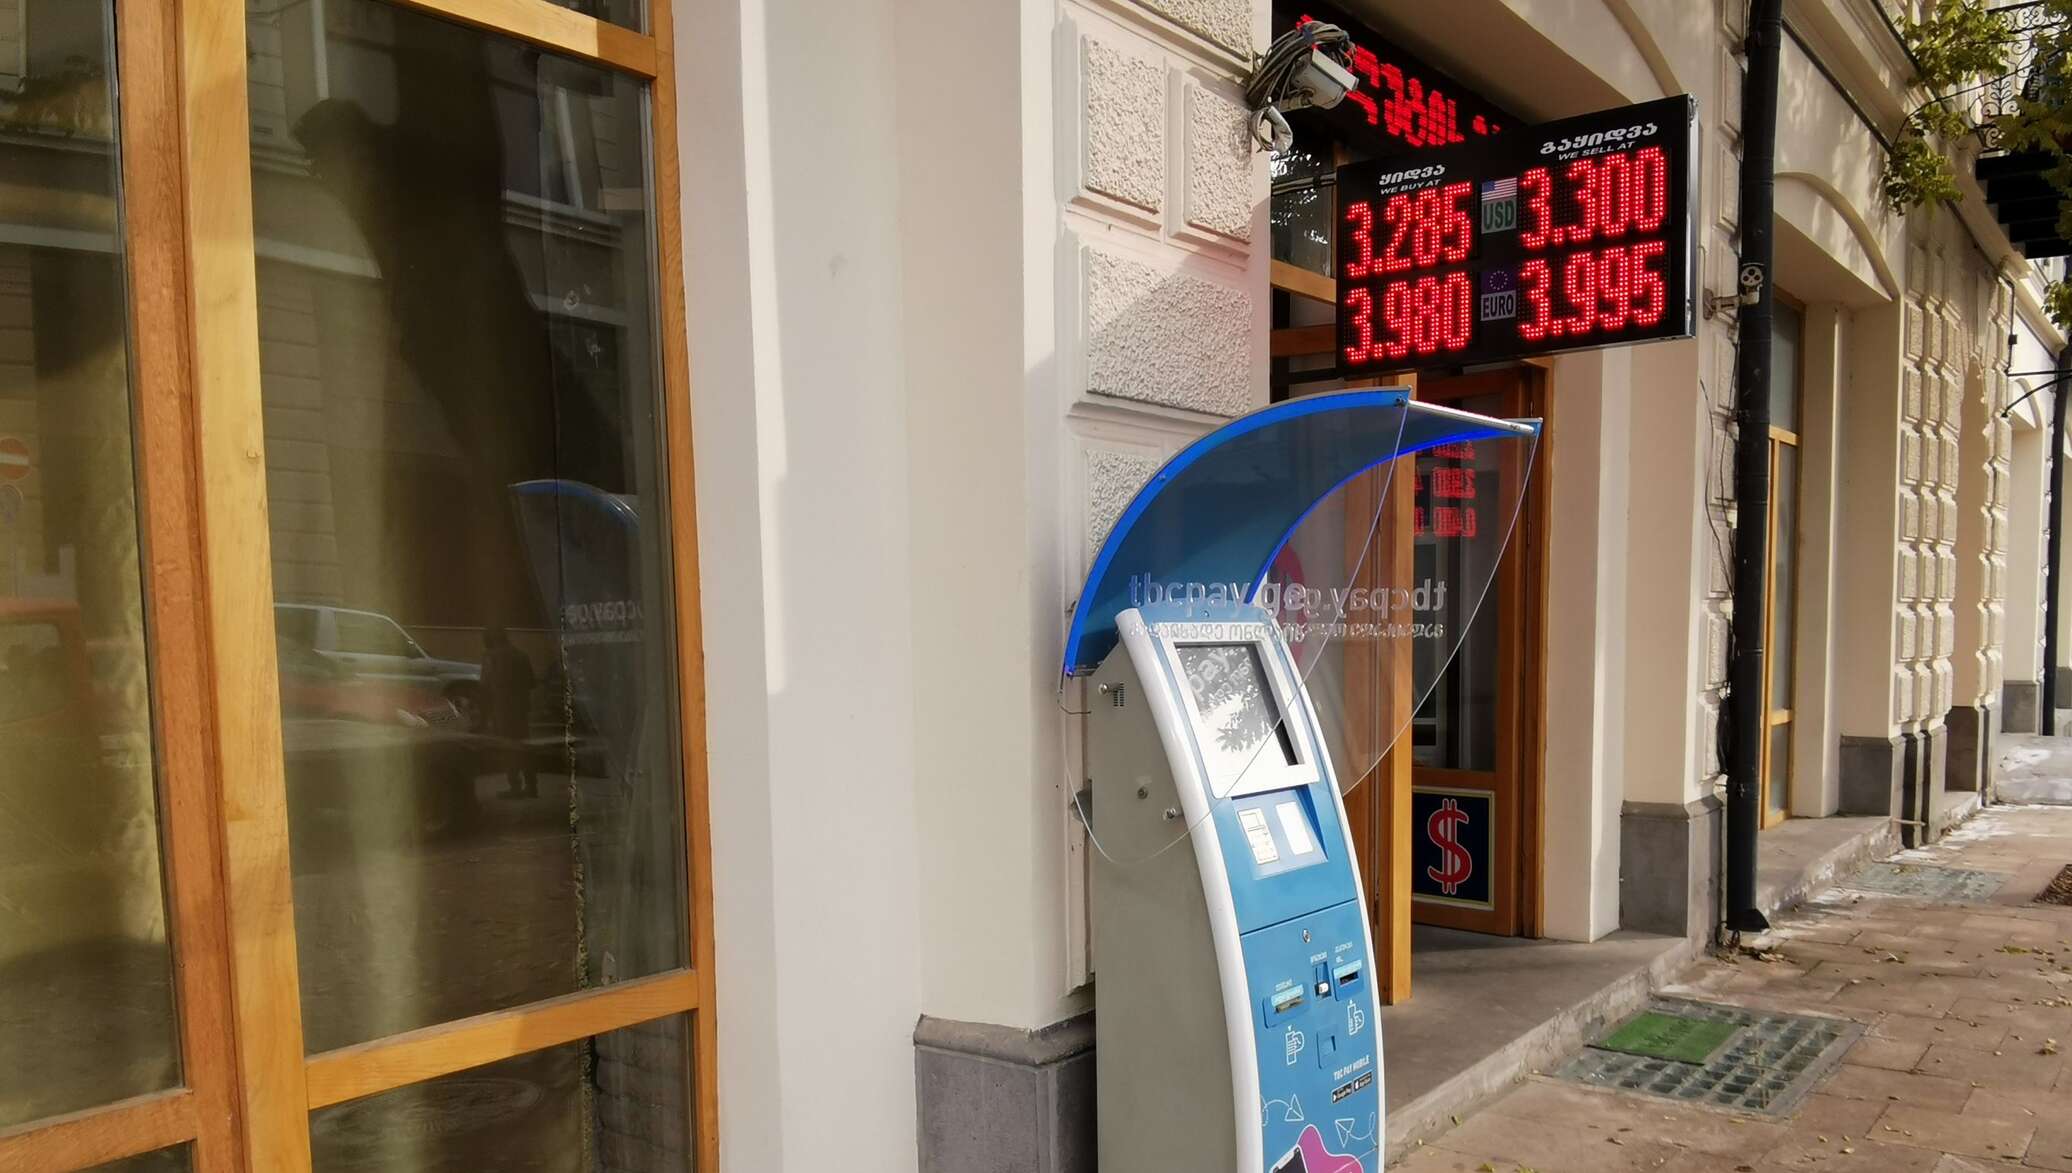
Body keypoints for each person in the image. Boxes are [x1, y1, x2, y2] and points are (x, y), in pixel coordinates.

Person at [480, 625, 537, 797]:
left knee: (508, 749)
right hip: (521, 710)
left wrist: (485, 715)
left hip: (502, 711)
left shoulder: (490, 657)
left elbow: (485, 686)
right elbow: (532, 683)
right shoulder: (521, 655)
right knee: (524, 746)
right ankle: (532, 786)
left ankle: (515, 787)